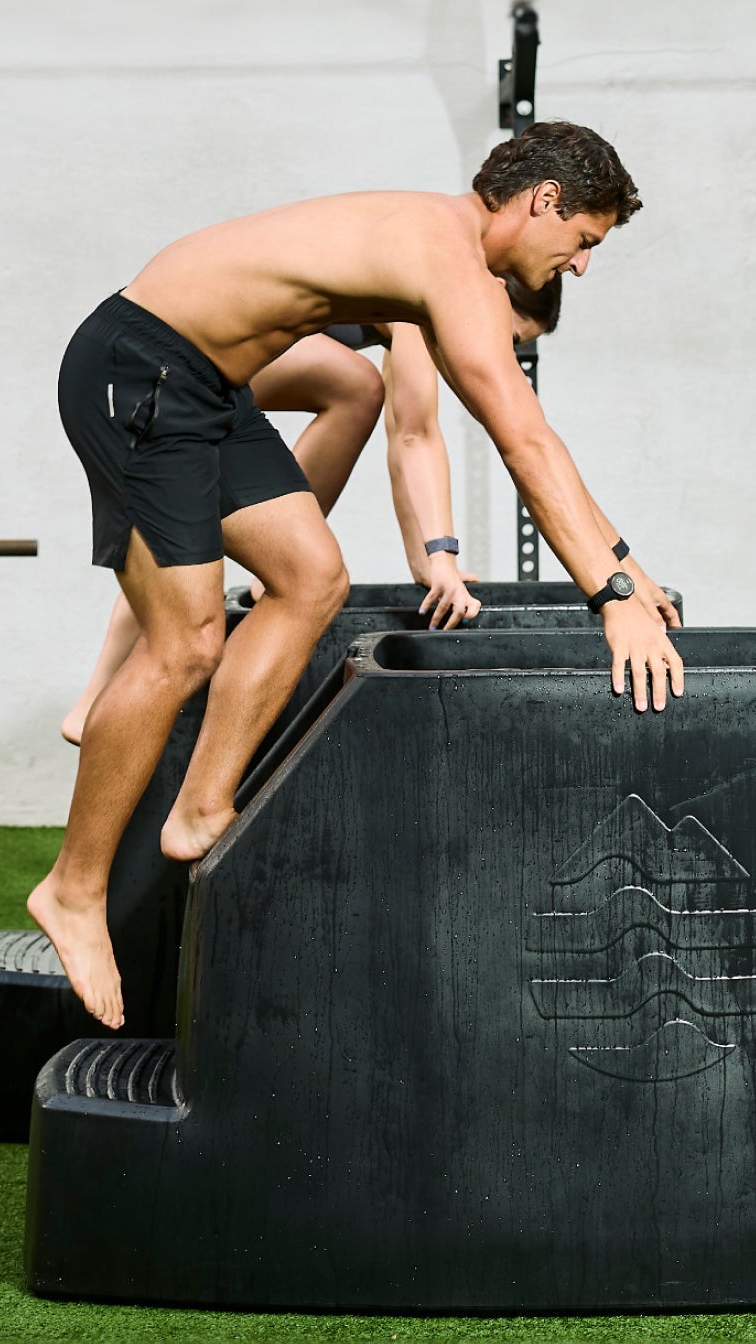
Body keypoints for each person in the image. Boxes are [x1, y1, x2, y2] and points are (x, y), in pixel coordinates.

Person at [33, 121, 683, 1028]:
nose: (579, 264)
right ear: (544, 200)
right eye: (584, 240)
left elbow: (507, 435)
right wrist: (611, 601)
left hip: (209, 389)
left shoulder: (441, 255)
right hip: (139, 366)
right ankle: (72, 888)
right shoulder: (444, 256)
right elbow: (524, 439)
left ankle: (200, 807)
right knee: (186, 643)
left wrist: (628, 569)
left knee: (311, 578)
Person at [58, 275, 563, 746]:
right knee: (354, 385)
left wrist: (425, 563)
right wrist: (443, 556)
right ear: (495, 292)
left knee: (352, 393)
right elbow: (417, 434)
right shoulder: (430, 293)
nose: (499, 356)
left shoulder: (409, 312)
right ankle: (98, 696)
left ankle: (98, 694)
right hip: (174, 351)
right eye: (509, 338)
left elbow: (401, 437)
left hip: (186, 359)